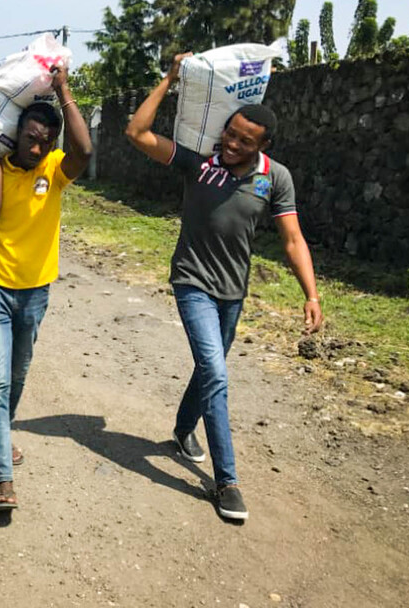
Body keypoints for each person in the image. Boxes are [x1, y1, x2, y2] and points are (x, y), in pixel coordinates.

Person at [125, 52, 323, 522]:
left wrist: (311, 294)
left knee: (207, 369)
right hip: (191, 280)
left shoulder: (275, 178)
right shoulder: (200, 162)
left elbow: (293, 239)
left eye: (244, 140)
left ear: (263, 144)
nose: (232, 144)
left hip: (233, 291)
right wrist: (170, 78)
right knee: (215, 372)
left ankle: (181, 428)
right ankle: (227, 480)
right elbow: (136, 133)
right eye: (230, 134)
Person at [0, 67, 92, 512]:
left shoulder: (55, 169)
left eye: (45, 140)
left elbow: (86, 148)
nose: (37, 146)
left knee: (17, 377)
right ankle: (3, 480)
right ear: (15, 134)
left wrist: (63, 90)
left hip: (35, 292)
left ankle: (1, 432)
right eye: (30, 137)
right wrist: (0, 167)